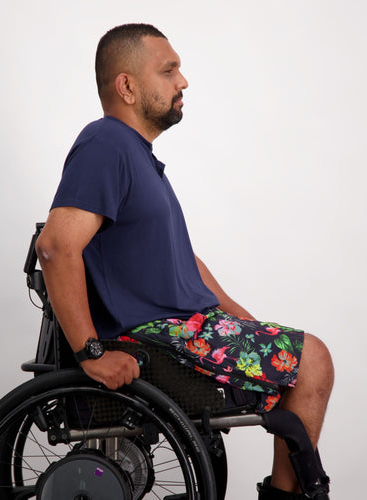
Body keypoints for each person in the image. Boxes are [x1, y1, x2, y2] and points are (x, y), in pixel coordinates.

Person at [36, 23, 334, 499]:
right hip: (159, 336)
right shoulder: (106, 143)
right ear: (127, 86)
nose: (183, 81)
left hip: (188, 326)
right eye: (169, 69)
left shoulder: (136, 156)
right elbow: (55, 246)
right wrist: (91, 352)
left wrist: (241, 320)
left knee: (305, 358)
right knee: (312, 360)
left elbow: (183, 261)